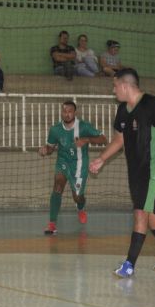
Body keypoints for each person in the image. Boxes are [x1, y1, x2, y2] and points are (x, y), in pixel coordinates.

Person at [89, 68, 155, 278]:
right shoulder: (123, 110)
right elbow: (119, 139)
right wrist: (102, 159)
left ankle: (129, 264)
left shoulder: (152, 105)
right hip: (135, 171)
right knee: (150, 214)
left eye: (115, 86)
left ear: (125, 85)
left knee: (140, 213)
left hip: (153, 169)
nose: (113, 90)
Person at [39, 100, 107, 235]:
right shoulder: (55, 130)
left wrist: (87, 140)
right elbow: (51, 148)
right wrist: (45, 150)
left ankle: (80, 207)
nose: (67, 114)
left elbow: (103, 139)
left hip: (79, 165)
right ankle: (52, 224)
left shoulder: (83, 126)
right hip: (63, 162)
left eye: (70, 111)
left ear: (75, 113)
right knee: (58, 186)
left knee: (77, 196)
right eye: (64, 111)